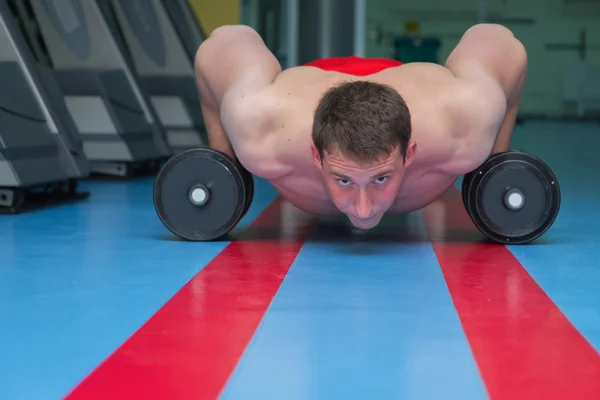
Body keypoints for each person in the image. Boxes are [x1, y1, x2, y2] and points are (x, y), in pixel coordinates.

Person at [193, 23, 527, 230]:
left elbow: (499, 41)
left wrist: (497, 161)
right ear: (315, 154)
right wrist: (223, 159)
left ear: (409, 154)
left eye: (382, 177)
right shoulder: (260, 123)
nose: (364, 208)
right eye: (344, 179)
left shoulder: (463, 119)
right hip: (308, 84)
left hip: (408, 82)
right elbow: (222, 44)